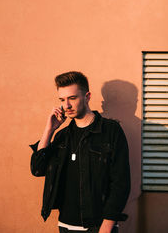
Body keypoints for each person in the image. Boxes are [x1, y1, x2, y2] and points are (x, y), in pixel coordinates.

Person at [29, 71, 130, 233]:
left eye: (72, 98)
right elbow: (37, 169)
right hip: (66, 225)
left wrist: (106, 227)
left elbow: (121, 182)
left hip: (99, 225)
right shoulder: (62, 136)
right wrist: (49, 130)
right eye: (62, 100)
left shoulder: (111, 131)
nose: (66, 105)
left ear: (87, 96)